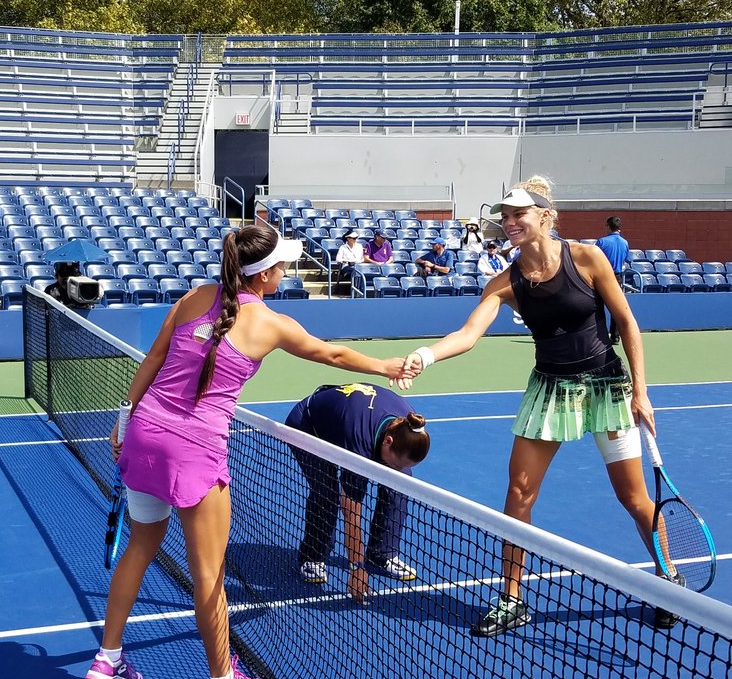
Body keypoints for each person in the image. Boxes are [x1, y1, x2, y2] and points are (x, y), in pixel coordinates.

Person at [85, 225, 413, 679]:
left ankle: (108, 657)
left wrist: (123, 419)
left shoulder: (196, 297)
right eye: (282, 265)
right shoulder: (270, 324)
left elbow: (153, 359)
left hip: (143, 432)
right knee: (209, 574)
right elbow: (334, 354)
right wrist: (386, 366)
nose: (287, 271)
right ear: (264, 274)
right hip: (194, 452)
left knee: (141, 545)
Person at [396, 176, 683, 637]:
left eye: (518, 215)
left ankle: (669, 579)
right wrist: (425, 355)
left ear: (544, 217)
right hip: (550, 391)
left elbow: (626, 322)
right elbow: (467, 335)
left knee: (632, 497)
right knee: (519, 494)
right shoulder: (504, 282)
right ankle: (511, 598)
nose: (509, 223)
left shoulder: (587, 258)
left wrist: (641, 392)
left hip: (606, 385)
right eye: (504, 217)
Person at [286, 383, 430, 593]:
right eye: (398, 464)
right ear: (387, 442)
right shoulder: (360, 444)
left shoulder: (408, 428)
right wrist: (357, 568)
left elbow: (397, 464)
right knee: (327, 493)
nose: (398, 469)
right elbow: (351, 510)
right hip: (309, 427)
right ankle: (313, 556)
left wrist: (399, 468)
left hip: (349, 421)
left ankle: (383, 553)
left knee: (399, 485)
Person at [595, 216, 631, 344]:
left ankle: (599, 335)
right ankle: (615, 336)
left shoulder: (602, 242)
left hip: (601, 277)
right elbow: (625, 259)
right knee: (616, 307)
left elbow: (594, 260)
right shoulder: (625, 242)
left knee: (597, 307)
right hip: (617, 277)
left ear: (608, 226)